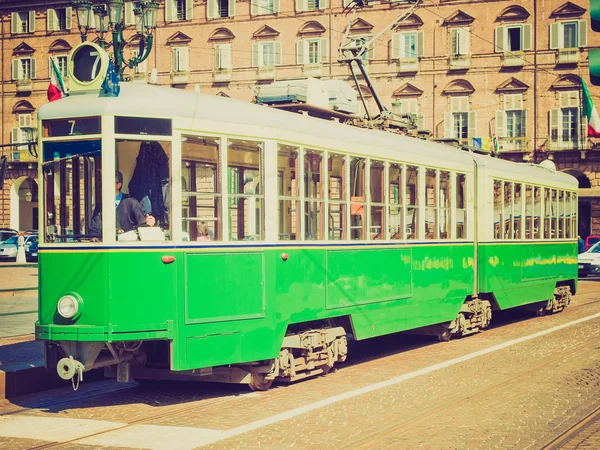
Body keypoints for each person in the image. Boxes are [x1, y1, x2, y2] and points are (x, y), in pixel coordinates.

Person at [89, 171, 155, 238]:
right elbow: (94, 230)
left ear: (118, 185)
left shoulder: (132, 203)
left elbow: (142, 226)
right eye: (103, 183)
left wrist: (149, 223)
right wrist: (94, 238)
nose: (104, 186)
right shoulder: (100, 206)